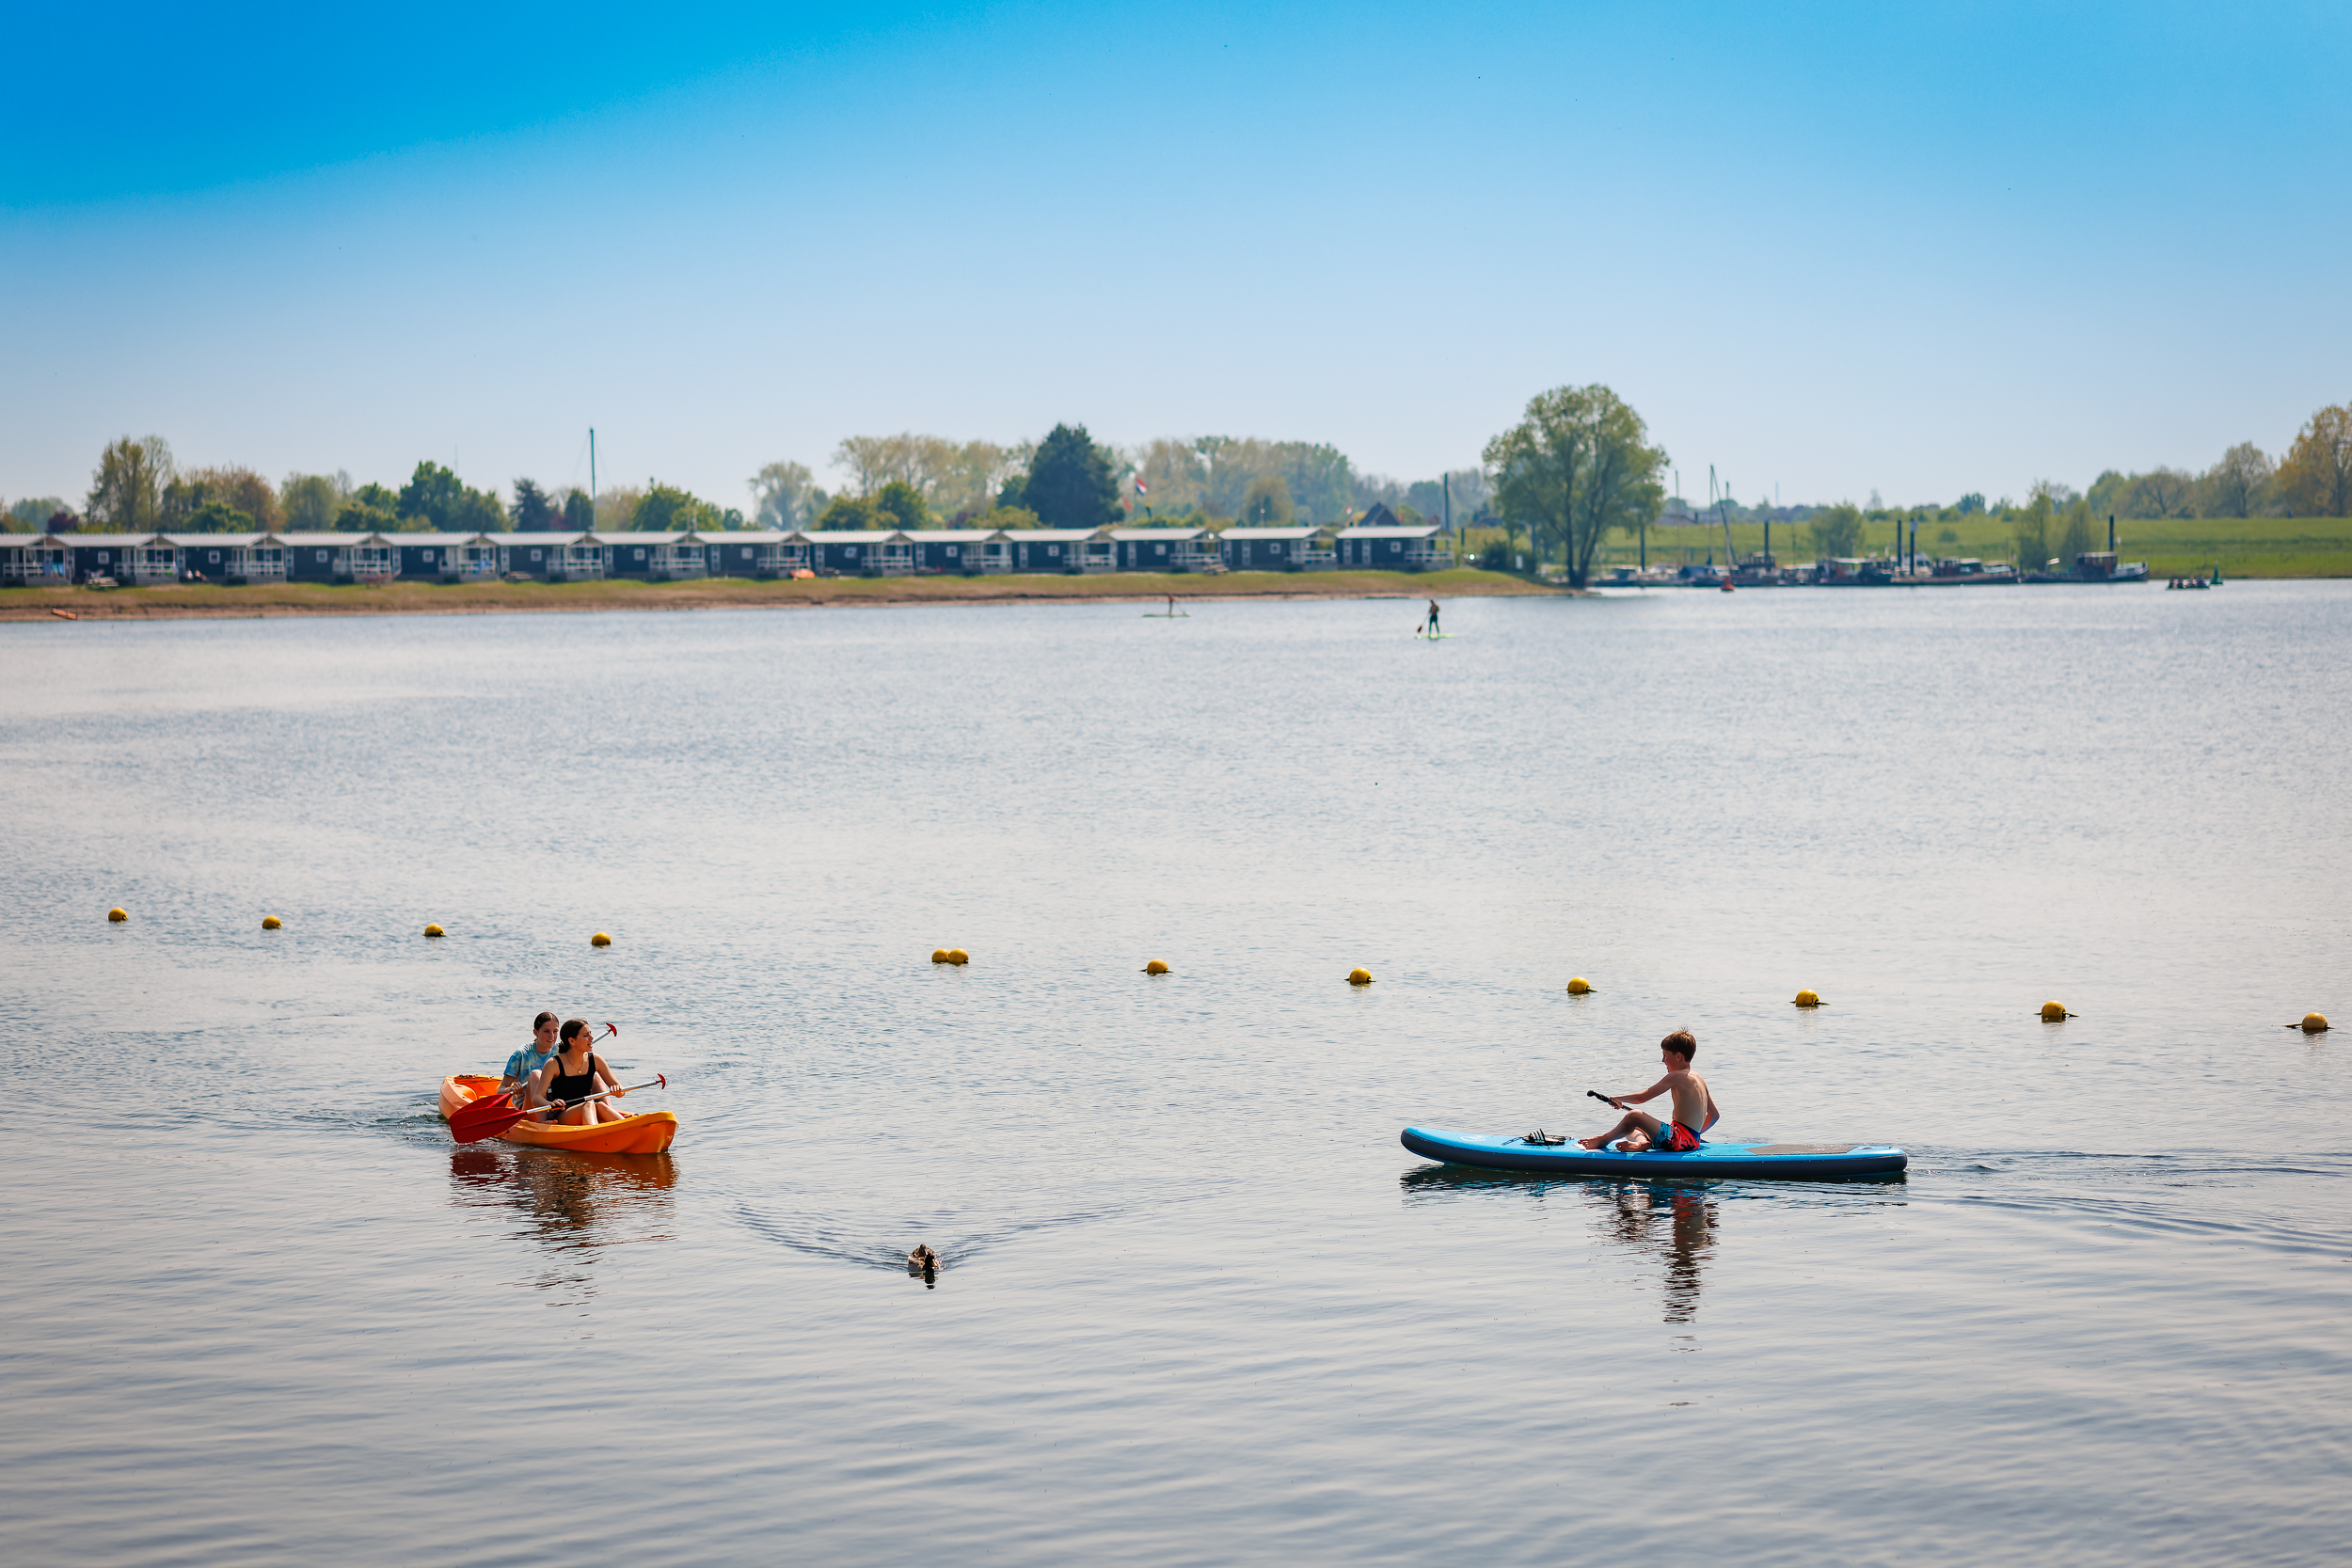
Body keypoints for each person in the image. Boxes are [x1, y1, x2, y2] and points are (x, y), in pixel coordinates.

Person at [1581, 1029, 1721, 1152]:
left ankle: (1603, 1140)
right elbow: (1714, 1115)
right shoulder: (1699, 1079)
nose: (1663, 1060)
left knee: (1634, 1116)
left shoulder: (1677, 1076)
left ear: (1678, 1056)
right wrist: (1694, 1136)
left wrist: (1618, 1098)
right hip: (1692, 1141)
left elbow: (1643, 1097)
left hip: (1678, 1139)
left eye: (1665, 1055)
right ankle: (1642, 1143)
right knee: (1631, 1127)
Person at [532, 1019, 631, 1126]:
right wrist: (550, 1103)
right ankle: (594, 1132)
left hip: (588, 1107)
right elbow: (537, 1098)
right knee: (589, 1104)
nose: (591, 1038)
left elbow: (621, 1091)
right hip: (562, 1113)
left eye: (590, 1034)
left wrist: (618, 1090)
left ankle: (629, 1127)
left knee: (600, 1105)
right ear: (572, 1041)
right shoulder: (553, 1063)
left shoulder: (596, 1060)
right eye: (585, 1035)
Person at [500, 1012, 560, 1115]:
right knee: (536, 1075)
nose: (552, 1036)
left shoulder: (560, 1050)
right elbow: (500, 1091)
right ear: (536, 1032)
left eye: (555, 1031)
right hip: (528, 1107)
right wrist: (512, 1089)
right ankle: (542, 1119)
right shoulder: (521, 1054)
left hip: (554, 1101)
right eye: (546, 1031)